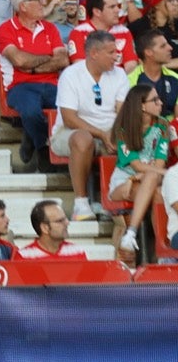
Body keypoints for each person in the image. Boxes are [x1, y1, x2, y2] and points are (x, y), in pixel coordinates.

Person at [54, 30, 131, 222]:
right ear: (94, 53)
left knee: (128, 141)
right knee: (83, 139)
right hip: (70, 133)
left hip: (110, 132)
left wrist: (112, 135)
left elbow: (123, 114)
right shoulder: (71, 74)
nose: (117, 56)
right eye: (111, 52)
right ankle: (81, 204)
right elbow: (69, 118)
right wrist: (101, 134)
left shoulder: (120, 74)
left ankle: (112, 204)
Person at [17, 199, 89, 260]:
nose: (67, 223)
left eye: (65, 219)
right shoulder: (23, 257)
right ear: (44, 228)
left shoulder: (77, 251)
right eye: (60, 221)